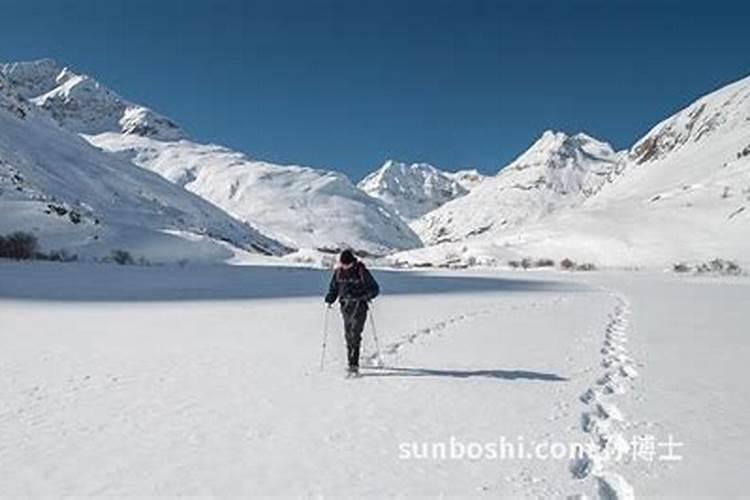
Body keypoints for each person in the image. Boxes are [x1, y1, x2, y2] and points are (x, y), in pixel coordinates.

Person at [324, 249, 380, 376]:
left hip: (359, 306)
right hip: (345, 307)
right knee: (348, 335)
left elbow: (375, 289)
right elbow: (334, 287)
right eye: (342, 264)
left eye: (346, 264)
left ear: (352, 262)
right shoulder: (338, 272)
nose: (344, 266)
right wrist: (330, 298)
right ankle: (351, 359)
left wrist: (365, 296)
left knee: (355, 333)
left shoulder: (361, 271)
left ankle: (353, 364)